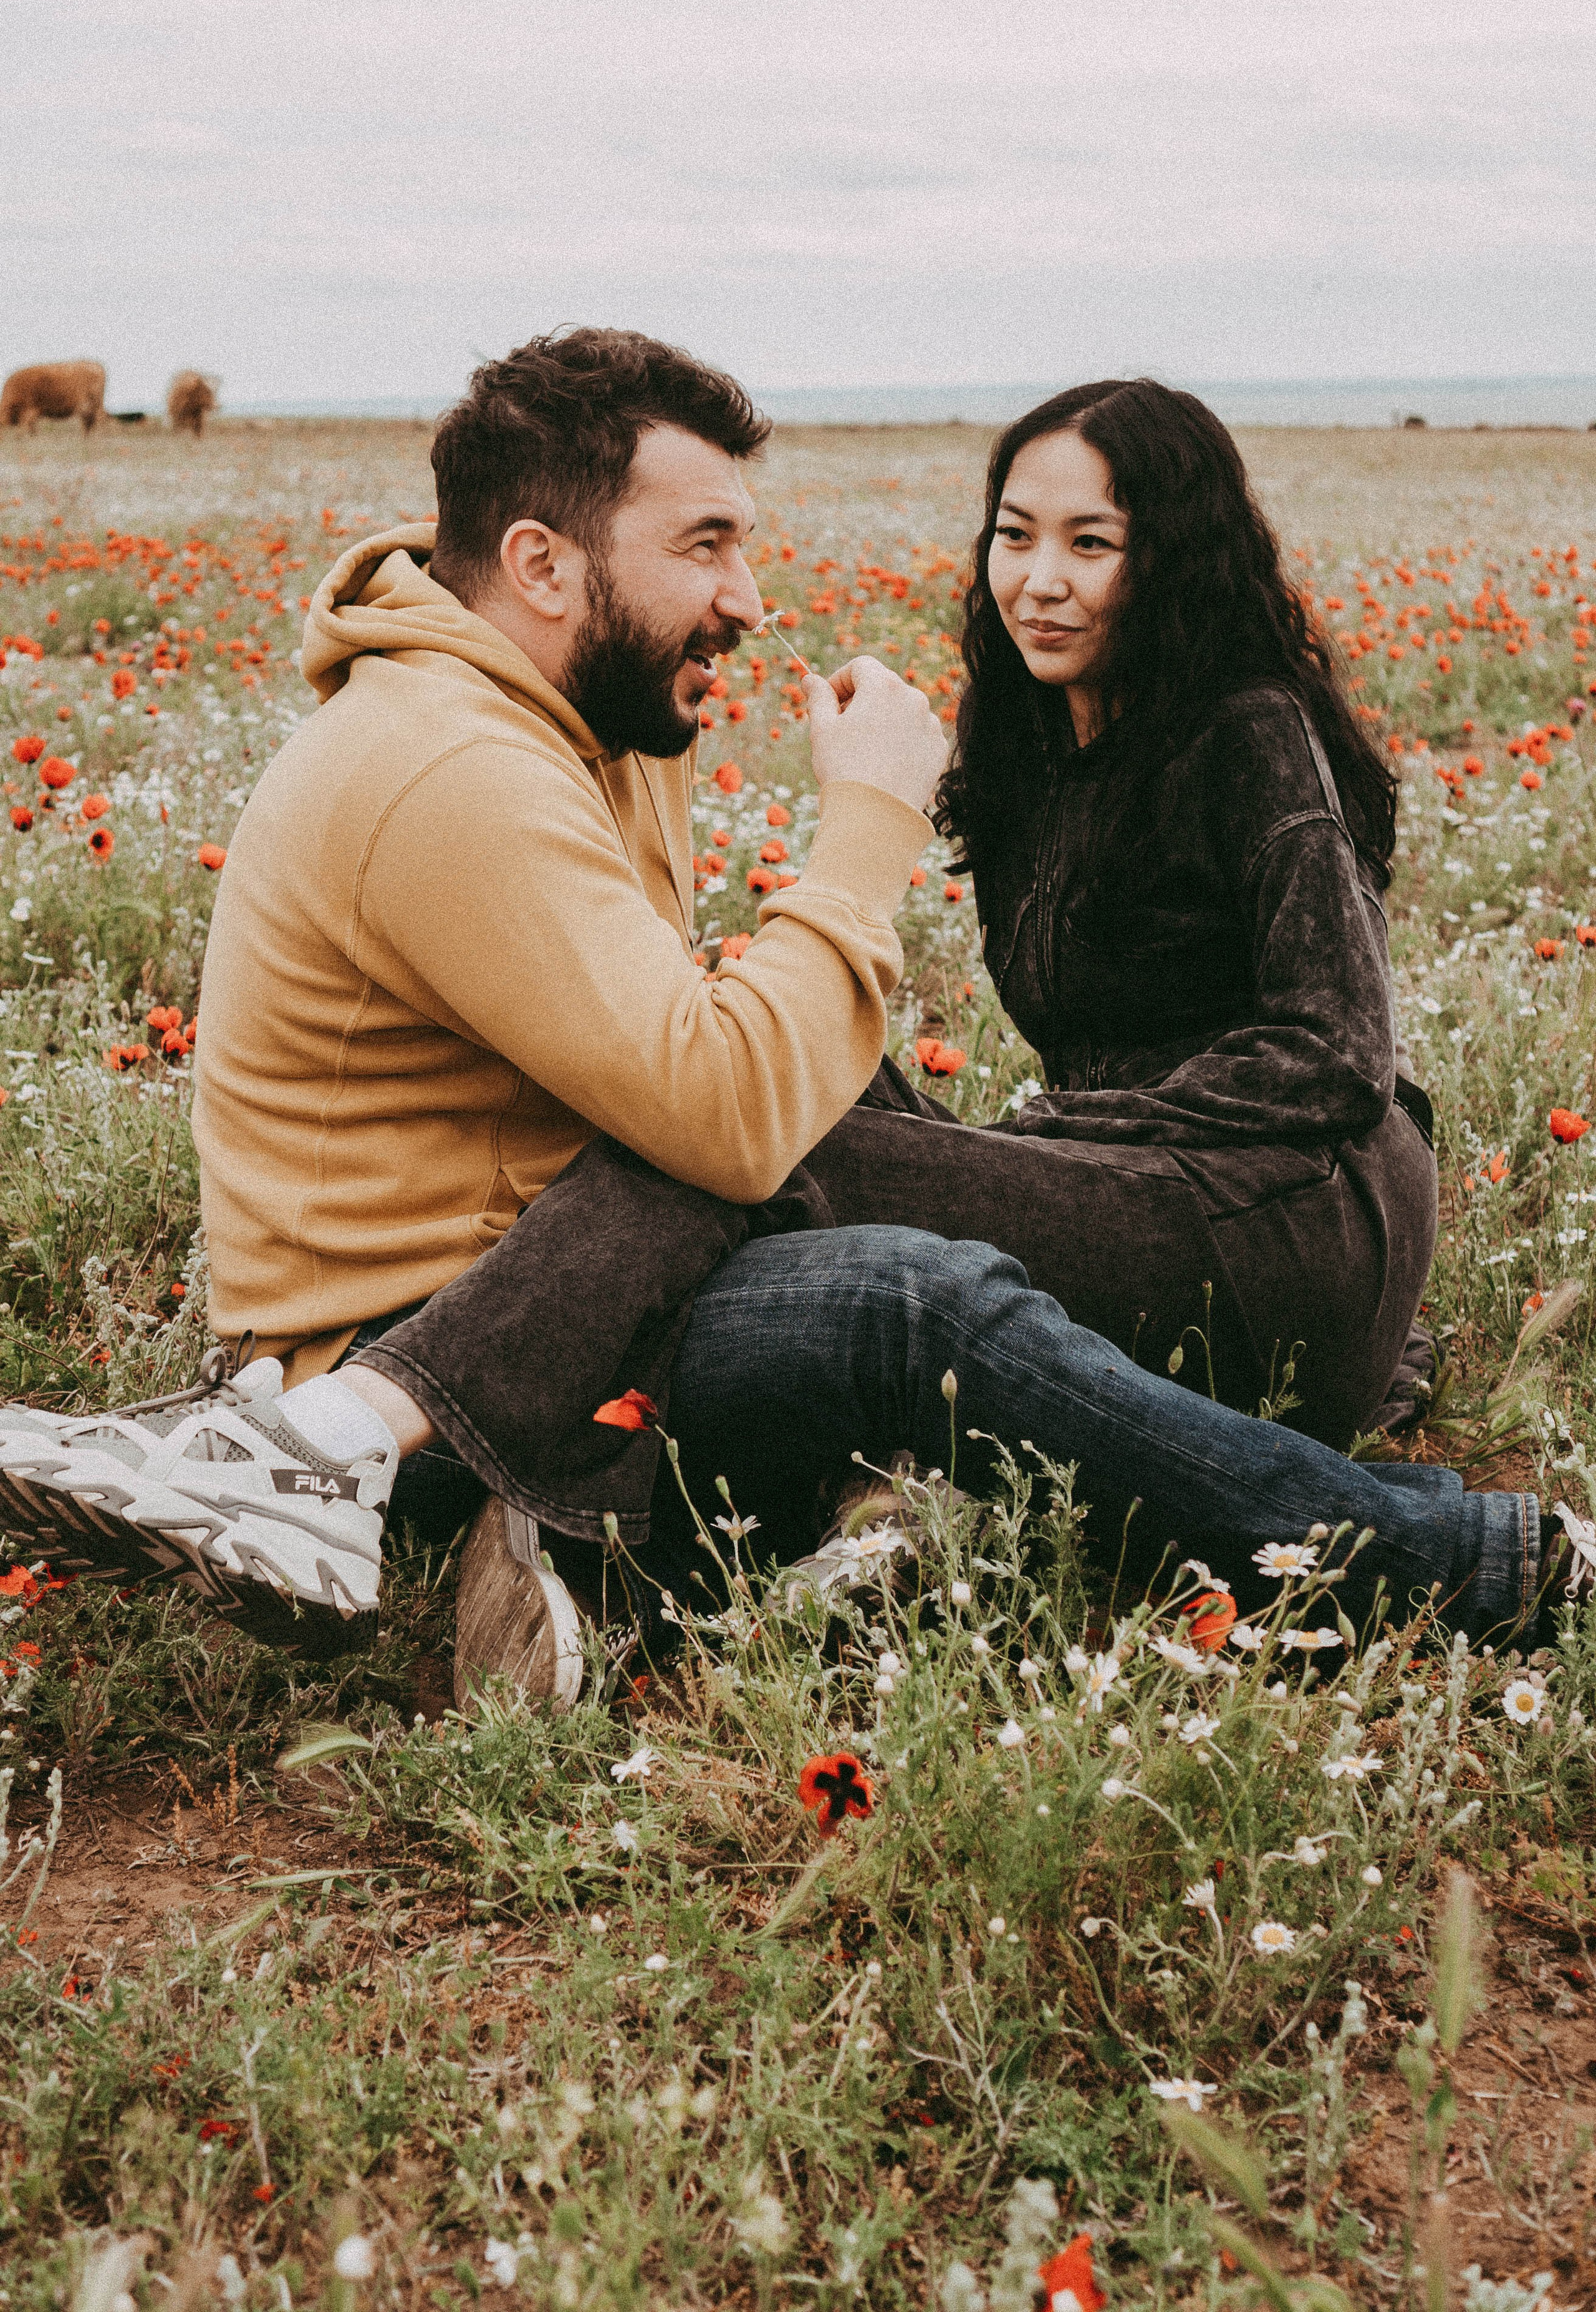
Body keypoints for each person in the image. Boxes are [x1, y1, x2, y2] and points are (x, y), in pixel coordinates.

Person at [0, 334, 1581, 1701]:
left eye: (1088, 542)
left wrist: (1019, 1139)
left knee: (829, 1132)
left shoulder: (556, 718)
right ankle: (459, 1491)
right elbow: (723, 1112)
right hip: (496, 1330)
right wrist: (861, 841)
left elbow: (1326, 1055)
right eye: (704, 548)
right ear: (543, 568)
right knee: (890, 1272)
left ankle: (407, 1472)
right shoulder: (455, 765)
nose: (750, 600)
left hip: (1236, 1207)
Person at [800, 379, 1436, 1452]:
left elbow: (1337, 1052)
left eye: (1090, 544)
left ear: (1173, 559)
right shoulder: (1030, 744)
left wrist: (1046, 1135)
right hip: (1131, 1194)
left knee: (789, 1149)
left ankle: (473, 1418)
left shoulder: (1249, 731)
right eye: (1015, 537)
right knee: (769, 1057)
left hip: (1290, 1215)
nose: (1039, 583)